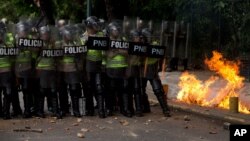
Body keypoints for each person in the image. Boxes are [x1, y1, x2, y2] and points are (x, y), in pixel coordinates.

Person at [141, 28, 171, 117]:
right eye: (147, 36)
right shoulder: (140, 44)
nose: (149, 38)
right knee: (141, 90)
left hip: (152, 69)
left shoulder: (155, 44)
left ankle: (165, 109)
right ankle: (145, 107)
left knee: (158, 90)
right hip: (142, 68)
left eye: (150, 36)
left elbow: (160, 53)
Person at [81, 16, 106, 118]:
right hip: (87, 64)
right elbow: (80, 54)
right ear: (89, 26)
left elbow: (106, 47)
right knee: (88, 88)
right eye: (95, 24)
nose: (97, 26)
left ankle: (101, 110)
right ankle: (89, 109)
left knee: (99, 87)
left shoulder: (101, 35)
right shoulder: (83, 37)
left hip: (98, 64)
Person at [105, 21, 132, 117]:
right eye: (115, 30)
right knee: (110, 90)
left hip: (123, 69)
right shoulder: (107, 41)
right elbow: (108, 55)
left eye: (118, 30)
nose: (117, 32)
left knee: (124, 89)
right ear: (110, 31)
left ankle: (125, 109)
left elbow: (127, 53)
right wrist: (120, 51)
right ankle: (109, 109)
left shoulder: (123, 39)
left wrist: (116, 50)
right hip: (110, 69)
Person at [36, 25, 61, 118]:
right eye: (44, 34)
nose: (45, 35)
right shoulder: (38, 44)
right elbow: (34, 55)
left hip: (51, 69)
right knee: (42, 91)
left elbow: (58, 55)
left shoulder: (53, 43)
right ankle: (39, 111)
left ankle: (56, 111)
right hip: (41, 69)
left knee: (53, 91)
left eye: (47, 34)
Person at [58, 25, 82, 117]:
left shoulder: (75, 44)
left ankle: (76, 110)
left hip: (72, 69)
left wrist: (79, 68)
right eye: (69, 34)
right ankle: (64, 109)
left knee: (74, 89)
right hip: (62, 70)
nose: (70, 36)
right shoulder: (59, 44)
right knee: (62, 90)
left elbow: (80, 56)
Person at [127, 29, 144, 117]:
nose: (139, 39)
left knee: (137, 89)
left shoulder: (141, 46)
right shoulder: (128, 46)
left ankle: (139, 109)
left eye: (140, 37)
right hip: (129, 69)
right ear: (133, 38)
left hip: (136, 69)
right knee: (129, 90)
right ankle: (130, 108)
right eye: (137, 37)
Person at [0, 21, 14, 119]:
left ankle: (6, 112)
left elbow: (13, 52)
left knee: (8, 93)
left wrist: (4, 42)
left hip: (6, 71)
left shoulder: (8, 42)